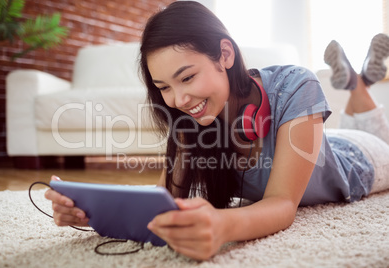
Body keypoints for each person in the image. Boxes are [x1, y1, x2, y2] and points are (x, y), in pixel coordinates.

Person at [44, 1, 389, 261]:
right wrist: (91, 212)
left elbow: (283, 203)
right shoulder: (190, 118)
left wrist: (223, 224)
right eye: (164, 86)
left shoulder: (296, 84)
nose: (178, 99)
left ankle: (358, 84)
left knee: (381, 137)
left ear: (225, 54)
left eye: (187, 77)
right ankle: (358, 82)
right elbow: (166, 200)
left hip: (361, 157)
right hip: (319, 143)